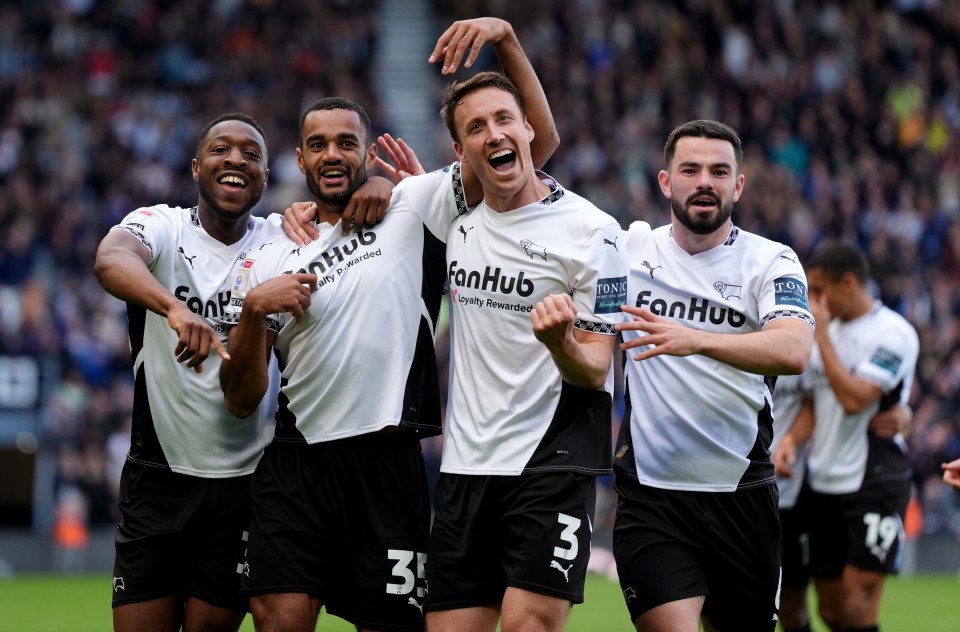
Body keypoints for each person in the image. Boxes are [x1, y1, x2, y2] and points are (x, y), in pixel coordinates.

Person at [219, 18, 561, 632]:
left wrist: (506, 43)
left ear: (366, 149)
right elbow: (242, 399)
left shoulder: (413, 207)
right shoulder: (269, 248)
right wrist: (250, 312)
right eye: (318, 144)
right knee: (278, 620)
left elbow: (538, 148)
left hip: (388, 461)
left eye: (346, 142)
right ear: (299, 157)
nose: (332, 154)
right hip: (296, 464)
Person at [93, 112, 391, 632]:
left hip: (245, 488)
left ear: (265, 177)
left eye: (251, 155)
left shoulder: (283, 238)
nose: (235, 160)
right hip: (156, 478)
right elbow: (111, 259)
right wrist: (174, 308)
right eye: (221, 150)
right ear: (195, 168)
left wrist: (383, 181)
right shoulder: (162, 224)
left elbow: (356, 210)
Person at [417, 69, 628, 631]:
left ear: (530, 129)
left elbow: (595, 368)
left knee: (527, 625)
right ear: (461, 152)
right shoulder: (452, 217)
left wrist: (561, 344)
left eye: (504, 119)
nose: (494, 134)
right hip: (465, 466)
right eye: (477, 127)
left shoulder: (596, 233)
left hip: (550, 462)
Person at [612, 119, 816, 632]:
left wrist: (695, 339)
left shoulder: (771, 260)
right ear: (666, 182)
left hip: (742, 495)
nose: (705, 180)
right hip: (652, 497)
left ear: (738, 185)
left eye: (719, 171)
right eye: (691, 169)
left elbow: (794, 349)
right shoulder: (628, 252)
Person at [784, 240, 919, 632]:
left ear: (848, 283)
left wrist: (823, 338)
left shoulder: (894, 333)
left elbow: (855, 399)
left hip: (875, 480)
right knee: (831, 609)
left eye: (820, 289)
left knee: (859, 605)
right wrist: (792, 441)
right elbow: (812, 402)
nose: (815, 300)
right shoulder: (820, 333)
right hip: (823, 483)